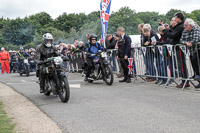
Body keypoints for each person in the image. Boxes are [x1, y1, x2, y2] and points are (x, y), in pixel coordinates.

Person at [163, 12, 189, 88]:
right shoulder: (179, 26)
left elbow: (173, 35)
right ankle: (184, 81)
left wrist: (165, 31)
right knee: (180, 65)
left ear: (179, 18)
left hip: (180, 48)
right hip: (178, 47)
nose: (175, 19)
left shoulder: (181, 26)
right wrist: (169, 29)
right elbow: (173, 33)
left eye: (176, 18)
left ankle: (185, 81)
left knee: (181, 65)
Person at [180, 18, 200, 87]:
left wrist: (190, 42)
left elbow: (196, 39)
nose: (184, 27)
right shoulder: (184, 31)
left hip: (198, 49)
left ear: (190, 25)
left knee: (197, 63)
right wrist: (186, 43)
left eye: (185, 25)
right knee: (193, 62)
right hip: (191, 50)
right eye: (184, 25)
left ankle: (198, 76)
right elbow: (181, 40)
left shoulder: (196, 29)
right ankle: (197, 75)